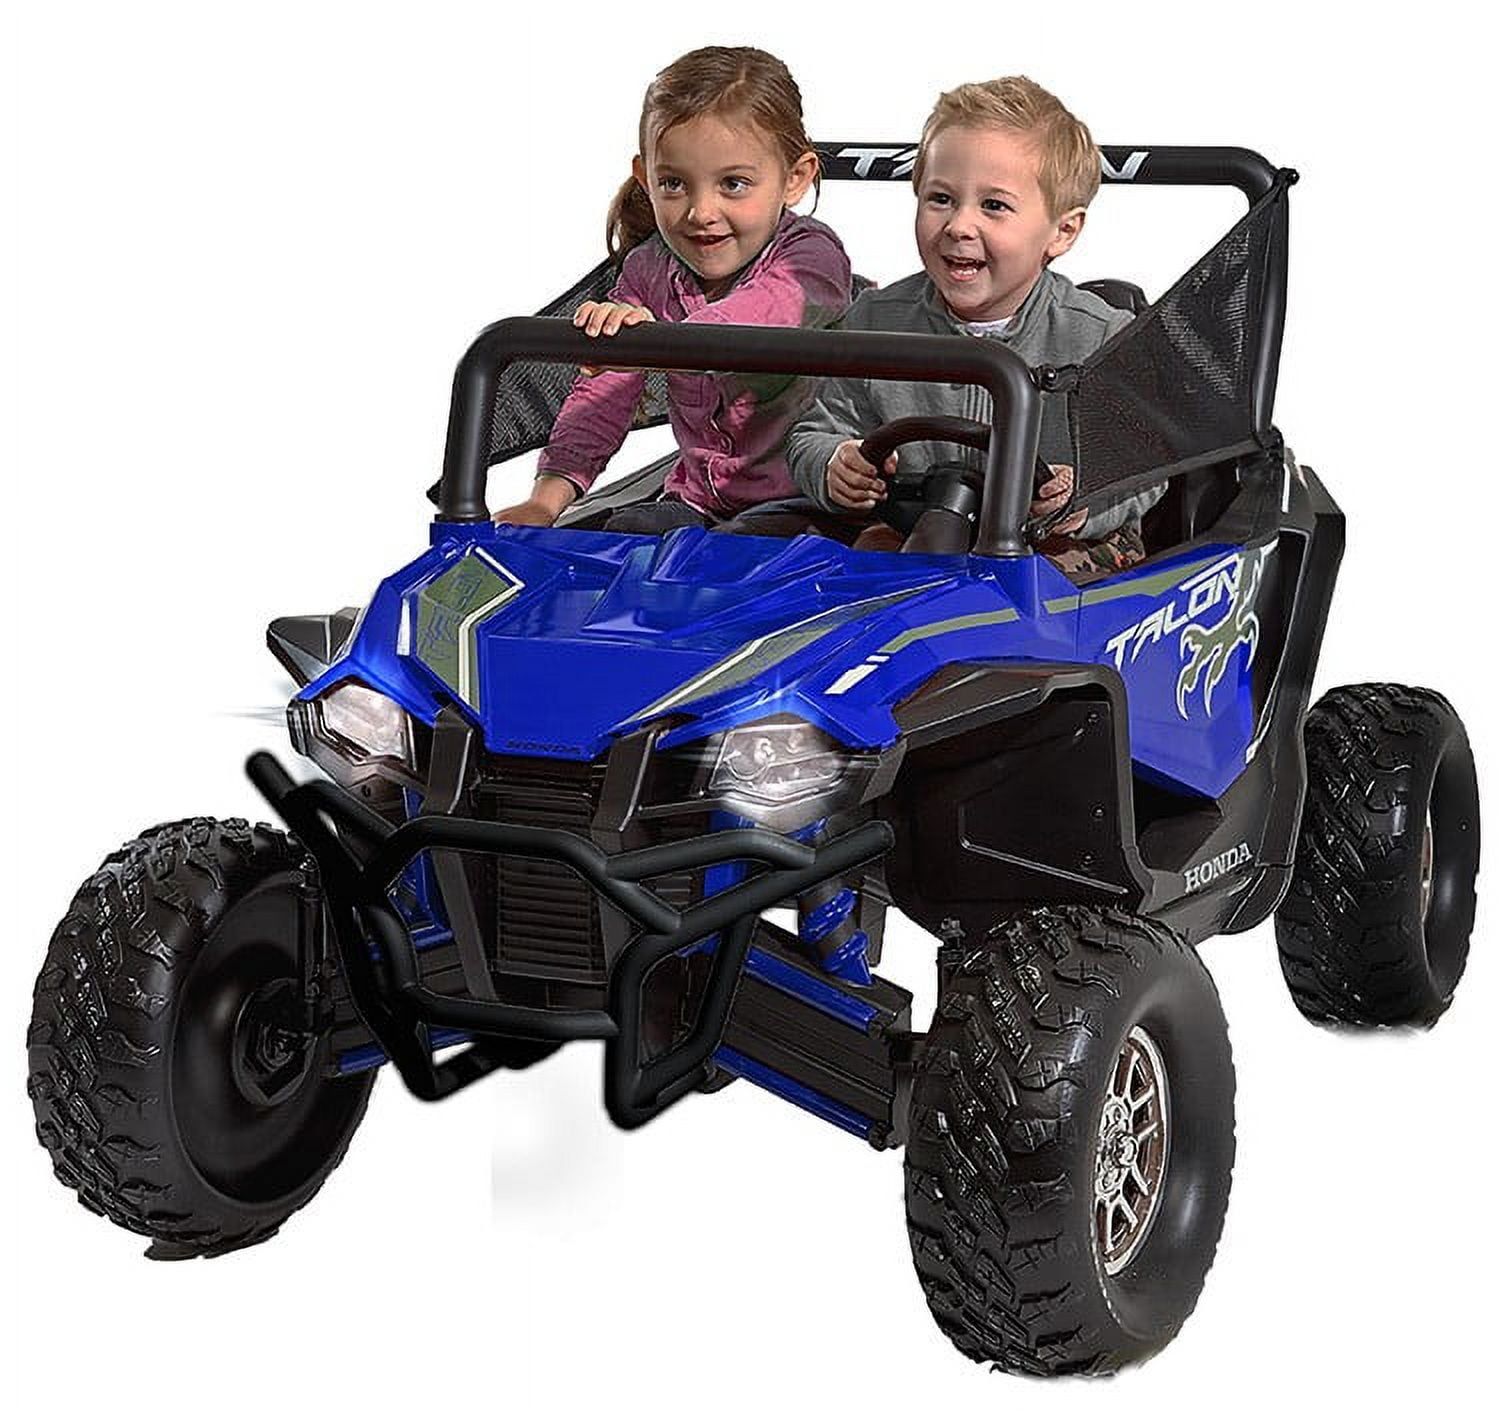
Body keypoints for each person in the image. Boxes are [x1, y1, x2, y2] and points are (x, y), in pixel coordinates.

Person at [785, 76, 1162, 574]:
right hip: (913, 531)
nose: (959, 225)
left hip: (1056, 542)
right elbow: (816, 430)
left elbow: (1147, 469)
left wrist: (1084, 497)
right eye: (941, 199)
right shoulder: (876, 321)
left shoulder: (1100, 337)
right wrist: (834, 464)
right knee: (853, 562)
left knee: (1051, 579)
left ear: (1062, 231)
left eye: (994, 206)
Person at [492, 46, 852, 533]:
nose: (701, 212)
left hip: (809, 501)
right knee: (618, 539)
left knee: (734, 550)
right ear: (646, 179)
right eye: (674, 184)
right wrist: (545, 502)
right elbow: (603, 395)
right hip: (697, 499)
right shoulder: (648, 270)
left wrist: (655, 341)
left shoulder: (810, 257)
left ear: (795, 179)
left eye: (734, 184)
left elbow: (760, 318)